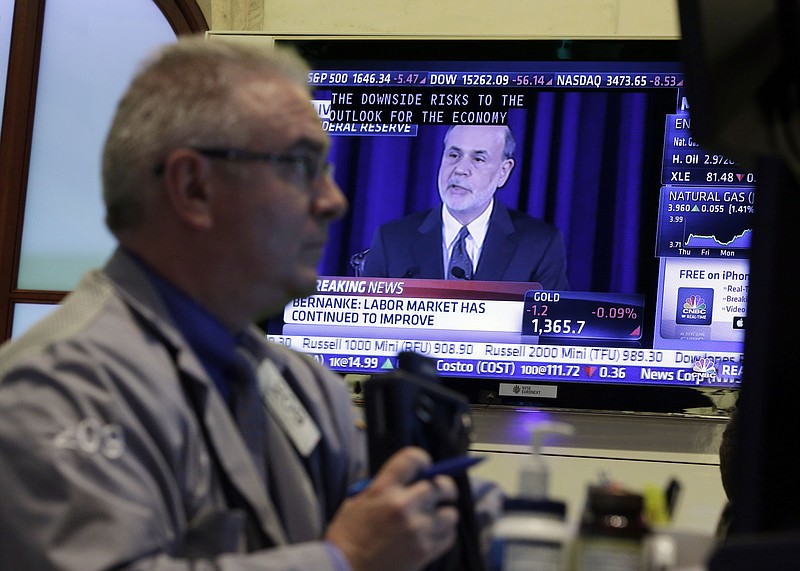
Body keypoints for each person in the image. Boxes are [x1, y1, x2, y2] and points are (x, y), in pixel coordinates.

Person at [0, 37, 469, 571]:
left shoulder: (305, 386)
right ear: (194, 187)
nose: (333, 201)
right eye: (300, 165)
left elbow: (407, 511)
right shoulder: (55, 390)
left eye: (329, 169)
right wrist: (346, 560)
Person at [360, 124, 569, 288]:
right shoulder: (392, 240)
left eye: (478, 159)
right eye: (453, 155)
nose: (460, 169)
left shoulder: (539, 244)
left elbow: (550, 332)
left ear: (503, 172)